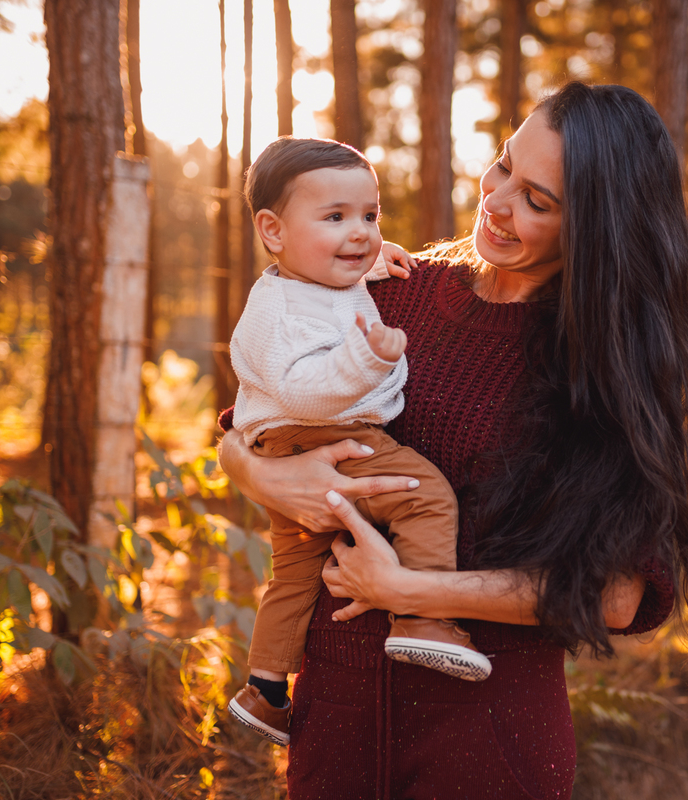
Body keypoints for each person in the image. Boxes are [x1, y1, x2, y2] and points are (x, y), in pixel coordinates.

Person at [219, 82, 688, 800]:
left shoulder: (606, 366)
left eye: (537, 201)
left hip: (486, 741)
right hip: (334, 716)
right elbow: (260, 407)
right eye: (504, 164)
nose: (497, 199)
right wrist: (258, 475)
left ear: (599, 229)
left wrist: (411, 590)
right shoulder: (393, 289)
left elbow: (612, 594)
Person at [225, 138, 493, 747]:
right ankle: (424, 617)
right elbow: (303, 391)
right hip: (328, 435)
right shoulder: (274, 310)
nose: (360, 233)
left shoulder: (309, 281)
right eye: (336, 218)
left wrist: (372, 259)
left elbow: (337, 287)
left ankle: (265, 689)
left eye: (370, 217)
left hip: (285, 449)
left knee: (295, 574)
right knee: (425, 496)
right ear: (272, 230)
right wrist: (365, 359)